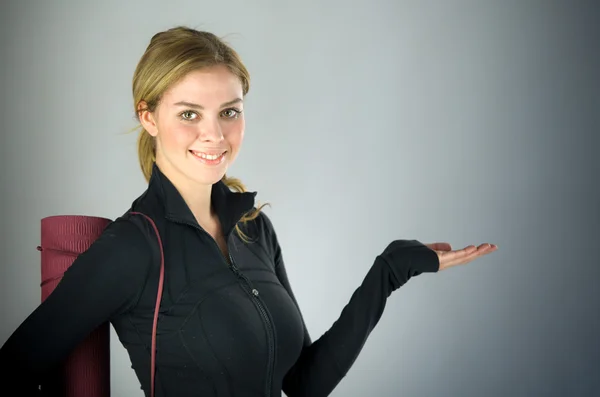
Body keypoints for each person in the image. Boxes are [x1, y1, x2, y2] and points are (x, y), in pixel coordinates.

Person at [0, 26, 497, 397]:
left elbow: (303, 383)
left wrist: (387, 273)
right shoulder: (133, 247)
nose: (214, 134)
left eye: (229, 111)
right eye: (189, 113)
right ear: (147, 116)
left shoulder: (253, 228)